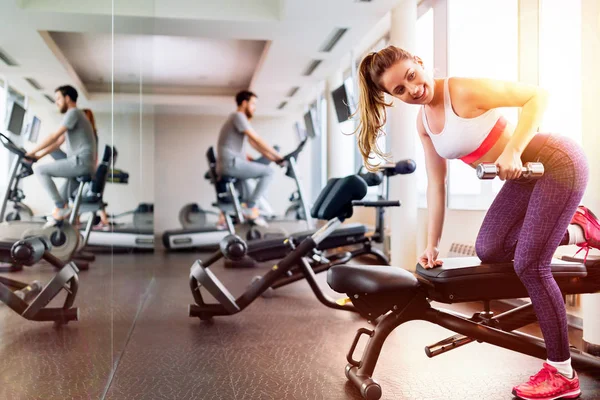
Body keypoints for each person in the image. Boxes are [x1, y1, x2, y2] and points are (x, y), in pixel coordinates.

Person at [356, 45, 599, 400]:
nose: (413, 89)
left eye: (411, 76)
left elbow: (537, 96)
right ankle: (576, 226)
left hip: (556, 161)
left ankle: (562, 372)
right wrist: (432, 244)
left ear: (420, 63)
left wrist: (513, 150)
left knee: (530, 265)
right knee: (490, 248)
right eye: (400, 90)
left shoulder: (461, 90)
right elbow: (436, 184)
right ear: (392, 96)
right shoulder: (423, 122)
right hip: (524, 180)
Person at [26, 85, 97, 221]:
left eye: (58, 98)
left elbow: (54, 136)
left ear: (68, 98)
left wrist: (31, 152)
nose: (56, 102)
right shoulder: (77, 115)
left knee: (40, 170)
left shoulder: (73, 113)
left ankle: (62, 207)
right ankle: (62, 232)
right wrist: (37, 156)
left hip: (80, 162)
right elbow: (58, 142)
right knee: (60, 205)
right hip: (83, 164)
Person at [216, 90, 284, 225]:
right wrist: (278, 157)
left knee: (250, 185)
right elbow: (257, 139)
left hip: (231, 163)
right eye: (253, 104)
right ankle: (251, 207)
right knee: (268, 172)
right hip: (231, 164)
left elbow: (253, 144)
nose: (254, 108)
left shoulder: (236, 118)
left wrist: (274, 158)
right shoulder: (238, 116)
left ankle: (248, 208)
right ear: (244, 103)